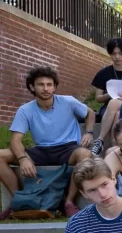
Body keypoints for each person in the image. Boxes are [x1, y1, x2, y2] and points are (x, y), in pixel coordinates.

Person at [0, 66, 95, 220]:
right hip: (40, 150)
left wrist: (89, 132)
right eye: (41, 84)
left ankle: (69, 202)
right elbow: (15, 140)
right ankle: (16, 201)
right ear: (32, 87)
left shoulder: (68, 102)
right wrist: (23, 159)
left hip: (67, 148)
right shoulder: (25, 110)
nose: (46, 89)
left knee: (85, 154)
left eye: (49, 84)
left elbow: (90, 113)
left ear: (55, 87)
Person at [90, 38, 122, 156]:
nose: (117, 57)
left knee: (114, 103)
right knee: (116, 110)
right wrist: (109, 95)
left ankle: (100, 140)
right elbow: (98, 98)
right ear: (110, 54)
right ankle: (115, 149)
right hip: (108, 110)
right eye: (113, 54)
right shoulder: (104, 72)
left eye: (120, 53)